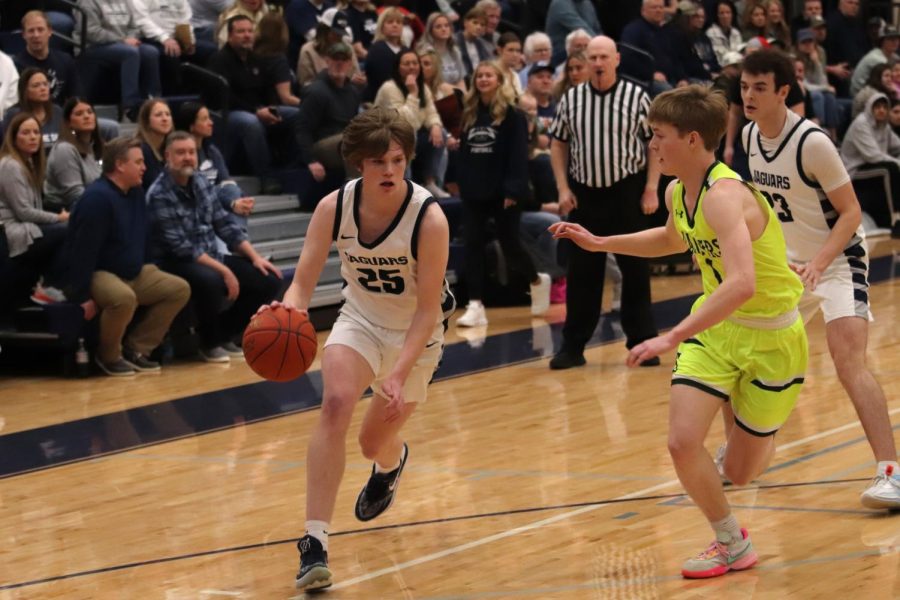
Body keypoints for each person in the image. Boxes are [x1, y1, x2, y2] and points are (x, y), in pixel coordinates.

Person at [550, 83, 807, 579]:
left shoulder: (725, 196)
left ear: (692, 139)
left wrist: (670, 335)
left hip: (772, 338)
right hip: (716, 334)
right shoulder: (676, 189)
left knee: (740, 471)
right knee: (681, 442)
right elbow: (671, 237)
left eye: (658, 135)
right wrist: (600, 242)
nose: (651, 144)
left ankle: (749, 425)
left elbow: (741, 284)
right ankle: (731, 542)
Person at [272, 106, 454, 591]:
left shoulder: (429, 219)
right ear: (359, 163)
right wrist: (288, 313)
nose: (390, 170)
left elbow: (426, 309)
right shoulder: (334, 207)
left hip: (416, 334)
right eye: (379, 162)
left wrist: (397, 373)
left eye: (397, 160)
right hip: (360, 319)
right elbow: (303, 283)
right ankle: (315, 542)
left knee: (371, 442)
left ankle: (390, 463)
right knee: (335, 404)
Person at [740, 48, 900, 508]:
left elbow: (851, 213)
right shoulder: (751, 137)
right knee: (746, 356)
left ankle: (890, 472)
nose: (749, 96)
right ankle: (743, 455)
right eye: (745, 87)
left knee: (848, 361)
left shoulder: (812, 142)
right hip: (788, 264)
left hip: (838, 259)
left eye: (760, 88)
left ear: (784, 92)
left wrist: (820, 262)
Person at [547, 35, 661, 370]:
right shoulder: (571, 99)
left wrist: (652, 187)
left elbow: (653, 144)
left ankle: (642, 343)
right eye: (592, 57)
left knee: (635, 270)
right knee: (583, 272)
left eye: (603, 57)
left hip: (627, 191)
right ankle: (573, 346)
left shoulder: (637, 96)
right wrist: (562, 188)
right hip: (585, 194)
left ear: (617, 60)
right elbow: (558, 145)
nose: (598, 63)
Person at [147, 131, 282, 362]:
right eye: (181, 153)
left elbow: (225, 225)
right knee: (210, 279)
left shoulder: (200, 181)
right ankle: (209, 343)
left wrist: (255, 257)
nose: (188, 157)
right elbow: (182, 248)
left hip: (209, 255)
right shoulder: (159, 193)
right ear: (167, 156)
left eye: (191, 152)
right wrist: (225, 270)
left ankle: (224, 334)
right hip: (174, 262)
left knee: (268, 279)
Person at [64, 137, 191, 377]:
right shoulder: (97, 199)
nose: (144, 167)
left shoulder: (135, 192)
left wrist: (149, 266)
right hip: (98, 272)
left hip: (132, 270)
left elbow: (143, 235)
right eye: (139, 162)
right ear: (120, 165)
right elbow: (81, 251)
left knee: (178, 288)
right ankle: (108, 356)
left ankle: (137, 349)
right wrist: (81, 296)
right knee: (123, 298)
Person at [455, 61, 551, 327]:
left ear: (499, 80)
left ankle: (536, 280)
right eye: (479, 75)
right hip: (474, 190)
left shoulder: (513, 115)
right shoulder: (469, 114)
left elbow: (518, 156)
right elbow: (464, 153)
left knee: (510, 245)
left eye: (489, 75)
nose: (483, 79)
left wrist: (513, 189)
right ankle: (475, 305)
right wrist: (461, 181)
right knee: (472, 244)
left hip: (503, 191)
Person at [209, 14, 302, 194]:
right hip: (229, 113)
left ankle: (291, 168)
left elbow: (268, 89)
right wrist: (257, 111)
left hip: (258, 109)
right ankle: (266, 176)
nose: (247, 35)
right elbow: (226, 96)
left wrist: (271, 108)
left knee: (295, 115)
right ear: (229, 36)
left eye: (250, 31)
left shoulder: (256, 58)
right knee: (251, 123)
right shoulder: (219, 60)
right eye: (241, 31)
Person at [0, 112, 69, 302]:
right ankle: (50, 287)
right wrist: (58, 218)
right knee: (66, 231)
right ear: (13, 138)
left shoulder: (29, 163)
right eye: (25, 133)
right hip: (12, 230)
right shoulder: (10, 165)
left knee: (68, 231)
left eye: (36, 132)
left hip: (26, 226)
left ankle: (48, 285)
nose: (32, 137)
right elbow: (23, 212)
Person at [374, 49, 447, 197]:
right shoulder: (389, 88)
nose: (412, 67)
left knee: (441, 134)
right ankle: (405, 186)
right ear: (398, 67)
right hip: (384, 138)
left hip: (411, 134)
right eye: (406, 63)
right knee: (407, 134)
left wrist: (435, 126)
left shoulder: (423, 87)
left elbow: (431, 113)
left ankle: (430, 183)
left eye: (415, 63)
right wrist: (413, 94)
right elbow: (404, 121)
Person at [74, 0, 163, 120]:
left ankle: (153, 102)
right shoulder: (88, 2)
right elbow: (92, 32)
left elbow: (134, 26)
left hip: (122, 43)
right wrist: (122, 40)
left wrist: (130, 37)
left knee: (150, 52)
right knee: (130, 53)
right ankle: (130, 107)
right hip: (92, 46)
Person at [174, 100, 254, 229]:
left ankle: (238, 238)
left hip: (217, 207)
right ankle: (239, 241)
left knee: (232, 189)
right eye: (205, 119)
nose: (211, 123)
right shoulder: (183, 156)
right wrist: (231, 203)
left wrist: (240, 200)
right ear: (191, 126)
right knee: (228, 195)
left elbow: (227, 183)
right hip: (195, 209)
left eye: (209, 118)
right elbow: (196, 190)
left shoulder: (211, 151)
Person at [296, 41, 364, 189]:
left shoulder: (353, 91)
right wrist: (310, 161)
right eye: (335, 59)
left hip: (344, 141)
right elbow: (302, 129)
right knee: (352, 139)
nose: (339, 63)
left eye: (344, 60)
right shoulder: (315, 91)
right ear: (327, 61)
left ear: (350, 63)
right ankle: (353, 189)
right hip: (321, 145)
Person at [840, 93, 900, 230]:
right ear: (870, 108)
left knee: (891, 166)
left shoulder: (884, 125)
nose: (881, 110)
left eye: (885, 107)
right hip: (854, 169)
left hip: (871, 166)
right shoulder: (861, 123)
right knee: (889, 169)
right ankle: (896, 219)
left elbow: (897, 145)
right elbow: (873, 156)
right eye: (877, 107)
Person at [44, 98, 104, 212]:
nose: (86, 116)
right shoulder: (64, 149)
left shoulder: (93, 147)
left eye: (90, 112)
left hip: (91, 205)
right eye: (79, 114)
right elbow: (75, 195)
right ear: (69, 123)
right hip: (66, 211)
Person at [297, 8, 362, 88]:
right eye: (335, 33)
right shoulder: (308, 50)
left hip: (345, 93)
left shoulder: (348, 48)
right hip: (319, 97)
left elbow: (356, 74)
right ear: (324, 31)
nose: (339, 37)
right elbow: (306, 85)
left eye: (341, 34)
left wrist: (358, 80)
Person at [2, 68, 62, 149]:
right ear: (25, 91)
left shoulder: (57, 112)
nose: (43, 89)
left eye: (45, 84)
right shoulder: (13, 115)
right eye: (36, 85)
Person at [363, 8, 407, 103]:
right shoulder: (376, 50)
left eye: (399, 22)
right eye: (390, 22)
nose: (395, 25)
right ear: (382, 26)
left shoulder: (406, 50)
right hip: (379, 101)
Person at [416, 13, 466, 91]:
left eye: (446, 26)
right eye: (438, 27)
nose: (443, 29)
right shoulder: (426, 52)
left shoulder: (455, 51)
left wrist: (464, 96)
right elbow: (433, 83)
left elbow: (460, 79)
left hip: (455, 94)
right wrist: (459, 93)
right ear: (430, 31)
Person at [134, 98, 173, 190]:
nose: (165, 119)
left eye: (168, 114)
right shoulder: (141, 150)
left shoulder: (170, 147)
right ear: (146, 122)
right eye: (158, 115)